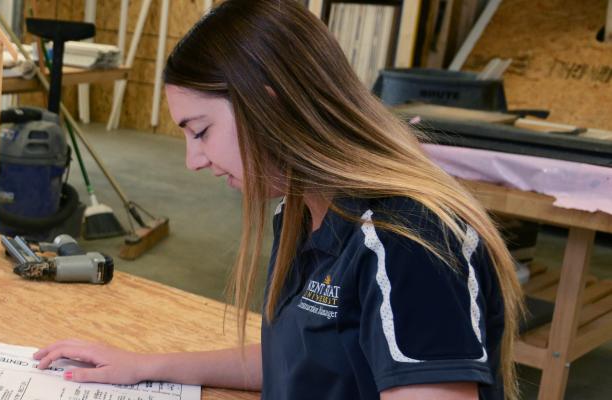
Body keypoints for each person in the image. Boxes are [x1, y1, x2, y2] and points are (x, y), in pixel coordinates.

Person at [31, 1, 524, 399]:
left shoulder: (406, 240)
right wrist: (147, 366)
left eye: (200, 131)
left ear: (270, 104)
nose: (192, 161)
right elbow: (297, 360)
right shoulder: (299, 210)